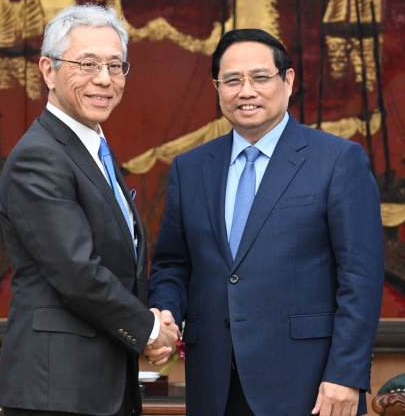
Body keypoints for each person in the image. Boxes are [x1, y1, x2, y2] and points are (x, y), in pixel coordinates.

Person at [147, 29, 384, 416]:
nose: (246, 91)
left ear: (288, 80)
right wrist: (165, 314)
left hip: (309, 386)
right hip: (215, 386)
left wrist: (347, 374)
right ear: (217, 88)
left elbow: (361, 277)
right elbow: (173, 264)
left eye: (260, 77)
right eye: (232, 80)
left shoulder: (338, 161)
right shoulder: (190, 168)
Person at [0, 4, 179, 416]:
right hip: (57, 390)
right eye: (88, 64)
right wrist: (151, 330)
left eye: (115, 66)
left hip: (97, 385)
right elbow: (78, 272)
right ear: (48, 70)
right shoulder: (39, 157)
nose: (104, 79)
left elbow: (120, 265)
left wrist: (153, 321)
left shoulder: (92, 148)